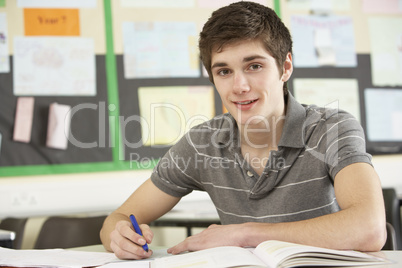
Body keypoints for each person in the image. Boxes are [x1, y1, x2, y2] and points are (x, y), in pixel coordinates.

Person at [100, 1, 386, 260]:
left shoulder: (331, 128)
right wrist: (119, 234)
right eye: (224, 71)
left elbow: (370, 229)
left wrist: (243, 234)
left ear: (285, 67)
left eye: (254, 66)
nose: (239, 87)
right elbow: (118, 218)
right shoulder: (202, 143)